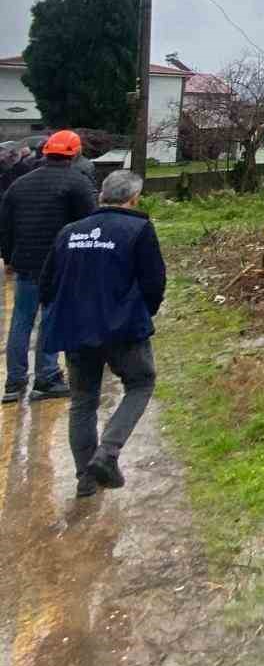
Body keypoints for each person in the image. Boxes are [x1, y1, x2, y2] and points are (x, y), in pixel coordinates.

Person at [38, 168, 165, 497]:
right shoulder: (139, 228)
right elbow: (154, 284)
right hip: (123, 329)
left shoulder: (69, 232)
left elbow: (47, 284)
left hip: (77, 330)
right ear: (134, 199)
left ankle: (85, 479)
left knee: (83, 402)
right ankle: (107, 453)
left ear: (101, 196)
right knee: (140, 383)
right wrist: (140, 314)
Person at [1, 130, 96, 403]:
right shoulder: (77, 183)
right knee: (51, 320)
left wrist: (9, 259)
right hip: (60, 265)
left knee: (21, 321)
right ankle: (47, 377)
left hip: (26, 264)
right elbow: (90, 224)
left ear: (45, 152)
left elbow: (5, 228)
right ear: (74, 153)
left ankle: (14, 382)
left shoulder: (19, 184)